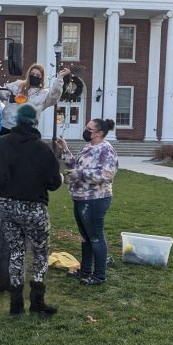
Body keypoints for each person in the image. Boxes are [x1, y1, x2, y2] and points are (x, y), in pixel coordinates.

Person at [0, 105, 63, 316]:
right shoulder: (43, 149)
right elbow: (54, 183)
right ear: (34, 122)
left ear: (17, 121)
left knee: (16, 252)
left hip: (4, 206)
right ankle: (37, 303)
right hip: (33, 207)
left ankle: (16, 305)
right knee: (39, 253)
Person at [55, 118, 119, 286]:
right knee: (86, 237)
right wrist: (65, 149)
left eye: (89, 129)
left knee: (96, 237)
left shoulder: (106, 150)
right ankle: (85, 270)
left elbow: (107, 174)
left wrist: (81, 174)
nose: (85, 130)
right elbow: (75, 165)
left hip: (96, 199)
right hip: (80, 197)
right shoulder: (88, 147)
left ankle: (99, 276)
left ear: (99, 133)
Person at [0, 64, 71, 136]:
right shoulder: (17, 85)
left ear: (41, 78)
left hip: (28, 132)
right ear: (28, 75)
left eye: (38, 76)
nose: (34, 76)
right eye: (32, 74)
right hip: (8, 128)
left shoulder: (44, 93)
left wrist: (60, 77)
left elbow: (55, 95)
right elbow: (3, 93)